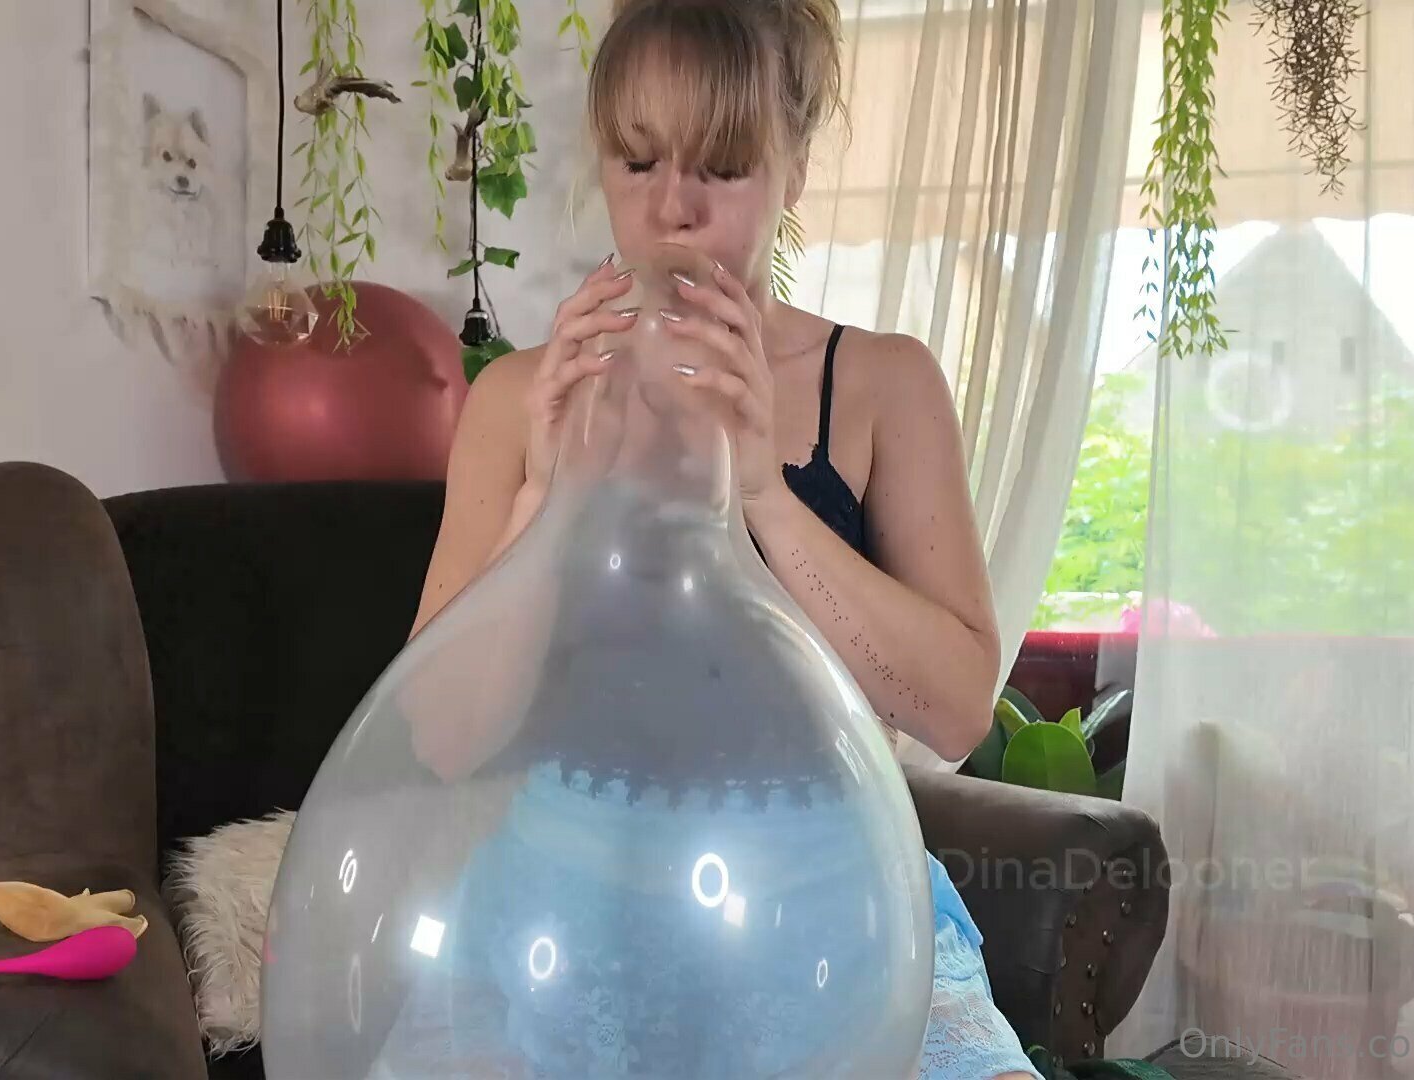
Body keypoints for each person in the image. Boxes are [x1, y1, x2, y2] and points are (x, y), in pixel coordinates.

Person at [409, 1, 1038, 1076]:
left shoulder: (882, 384)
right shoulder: (518, 399)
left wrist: (766, 496)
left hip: (832, 914)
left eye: (725, 167)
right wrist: (546, 495)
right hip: (564, 915)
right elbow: (439, 736)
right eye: (639, 161)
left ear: (795, 170)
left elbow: (954, 710)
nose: (673, 209)